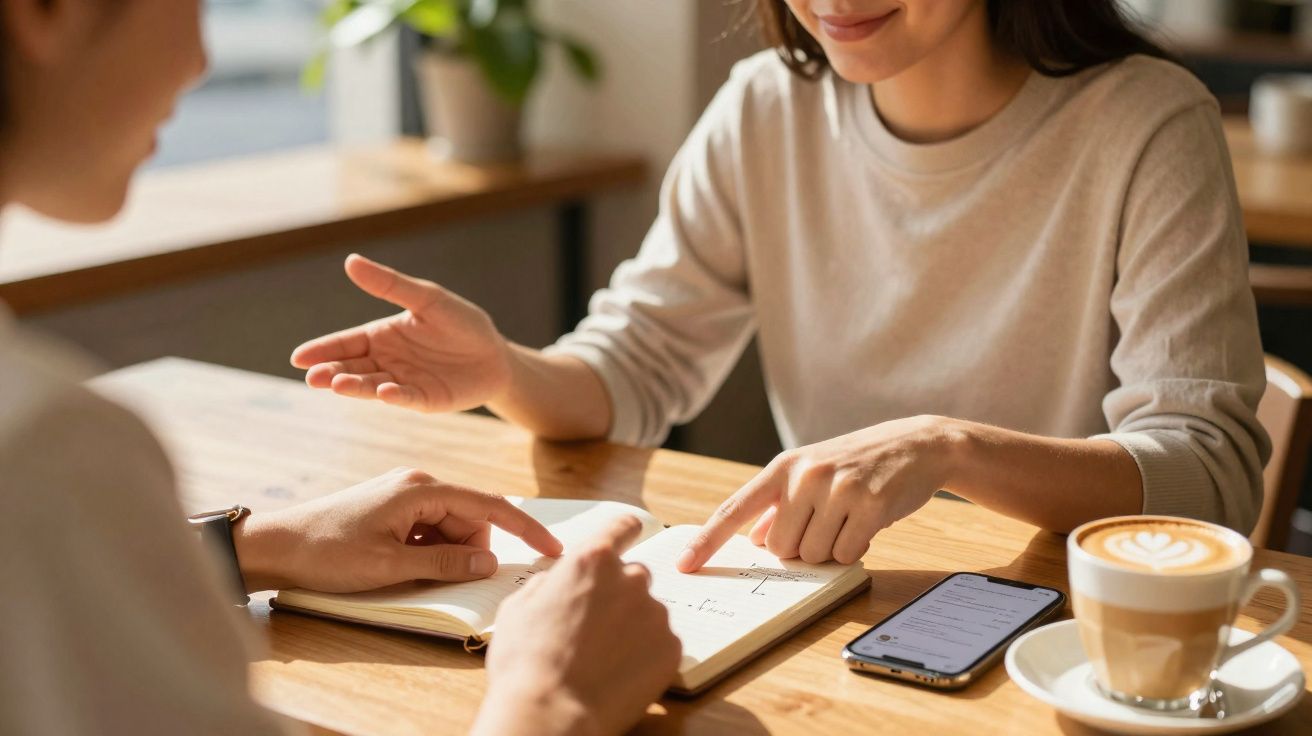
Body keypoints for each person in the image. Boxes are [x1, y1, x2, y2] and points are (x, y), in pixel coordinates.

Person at [294, 0, 1270, 573]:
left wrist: (948, 448)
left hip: (1054, 623)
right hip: (830, 596)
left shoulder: (1145, 122)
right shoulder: (765, 108)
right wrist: (504, 368)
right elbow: (637, 365)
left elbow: (1209, 478)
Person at [0, 1, 679, 734]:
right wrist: (550, 702)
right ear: (48, 12)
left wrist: (254, 546)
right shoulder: (46, 449)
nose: (200, 62)